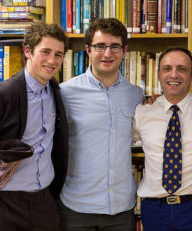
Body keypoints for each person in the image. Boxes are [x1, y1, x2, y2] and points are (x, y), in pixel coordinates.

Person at [0, 22, 69, 231]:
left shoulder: (56, 91)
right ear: (28, 51)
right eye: (45, 52)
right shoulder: (1, 95)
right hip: (4, 206)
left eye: (58, 54)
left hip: (44, 204)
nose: (52, 60)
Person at [58, 18, 144, 231]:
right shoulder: (65, 93)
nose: (107, 54)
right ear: (88, 50)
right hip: (76, 209)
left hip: (121, 211)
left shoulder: (136, 95)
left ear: (124, 51)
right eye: (100, 46)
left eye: (115, 46)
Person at [132, 47, 192, 231]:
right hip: (154, 209)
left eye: (182, 69)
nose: (174, 75)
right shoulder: (142, 112)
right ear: (159, 74)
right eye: (167, 68)